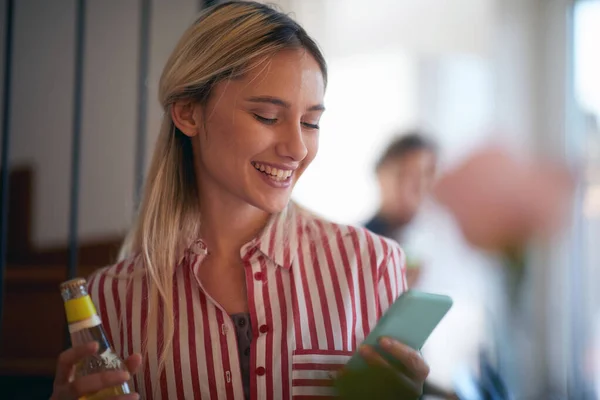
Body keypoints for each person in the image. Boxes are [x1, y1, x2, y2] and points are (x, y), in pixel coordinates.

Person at [50, 2, 429, 399]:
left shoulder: (372, 265)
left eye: (310, 122)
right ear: (188, 113)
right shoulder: (111, 297)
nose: (297, 148)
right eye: (267, 116)